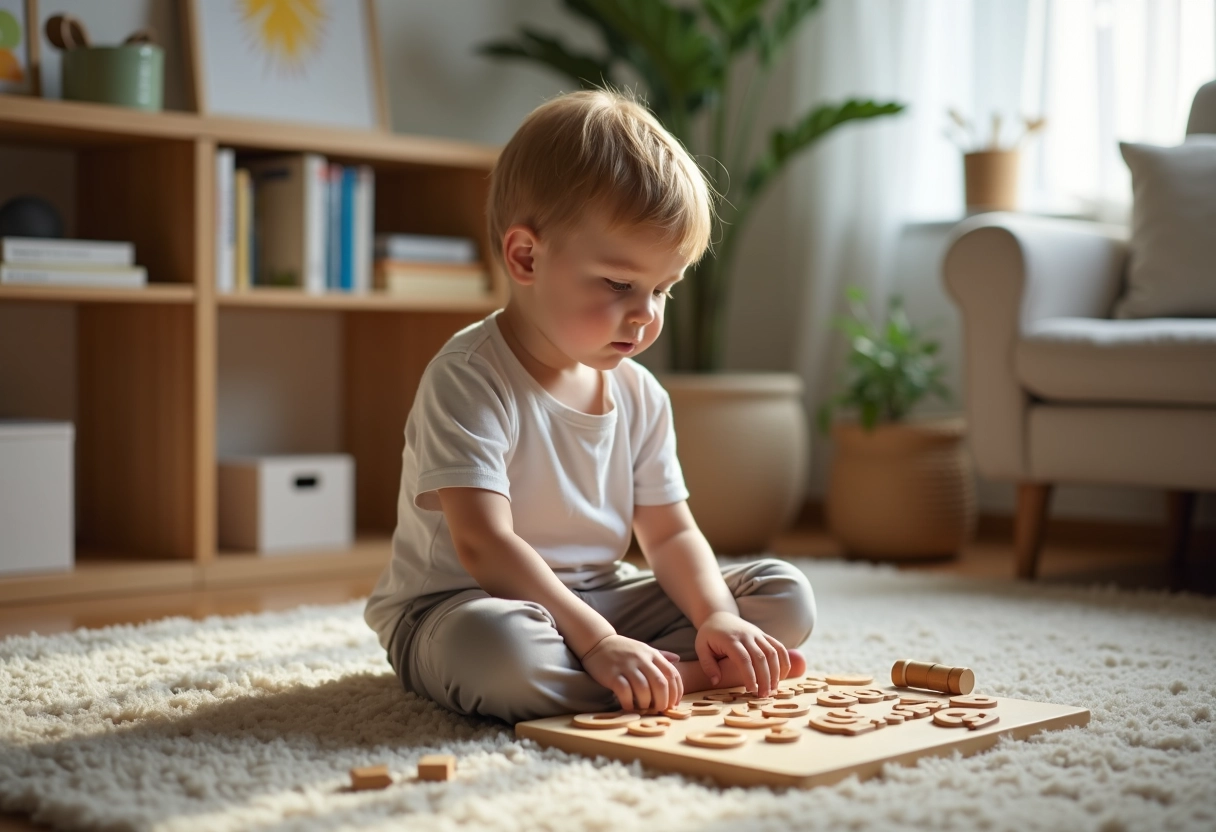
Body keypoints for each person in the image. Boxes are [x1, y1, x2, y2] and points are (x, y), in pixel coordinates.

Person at [364, 88, 816, 724]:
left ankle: (645, 672)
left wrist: (715, 615)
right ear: (526, 256)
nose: (646, 315)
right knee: (500, 653)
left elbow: (671, 531)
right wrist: (597, 641)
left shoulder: (639, 394)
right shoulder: (467, 378)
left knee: (783, 595)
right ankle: (670, 676)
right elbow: (485, 544)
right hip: (465, 606)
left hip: (602, 597)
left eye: (663, 289)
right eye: (619, 284)